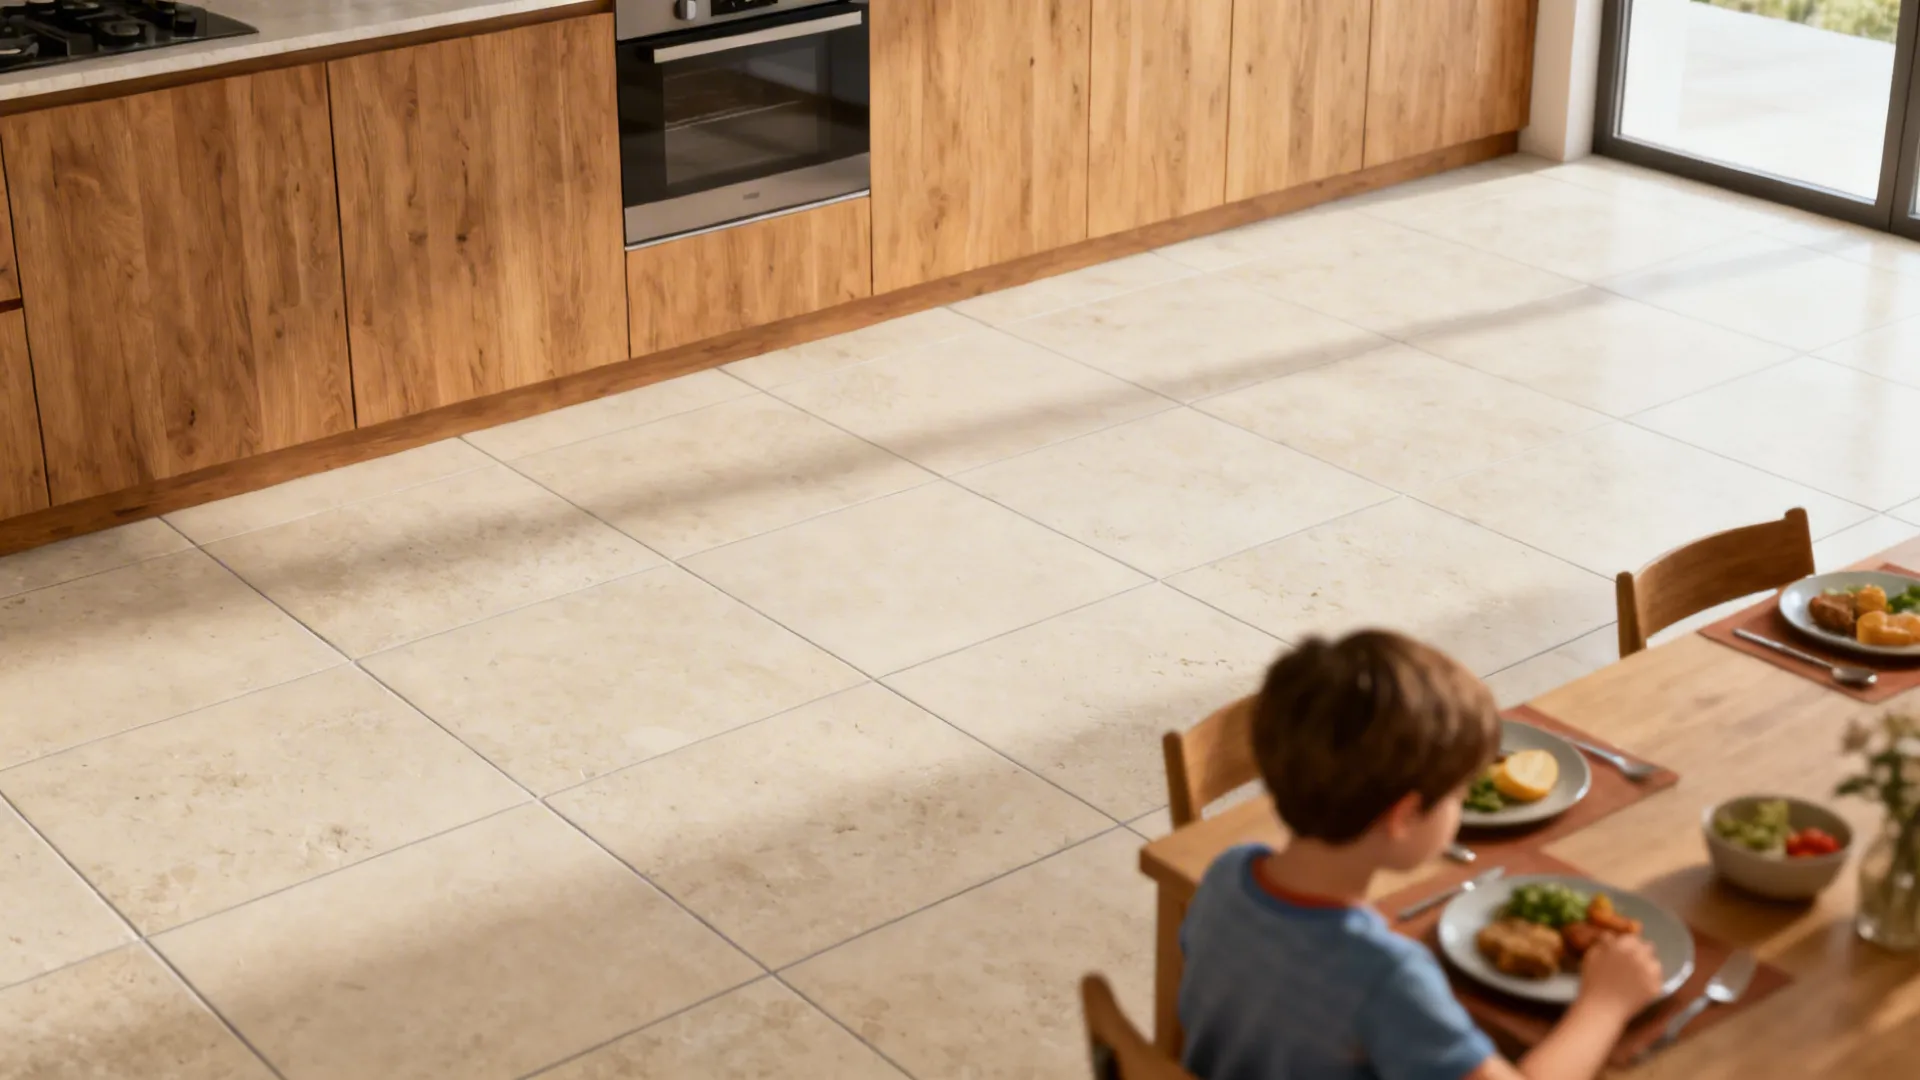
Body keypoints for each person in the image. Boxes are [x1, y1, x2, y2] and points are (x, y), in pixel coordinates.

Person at [1178, 630, 1664, 1080]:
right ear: (1405, 816)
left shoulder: (1227, 874)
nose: (1458, 807)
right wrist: (1606, 1004)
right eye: (1457, 795)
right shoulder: (1387, 976)